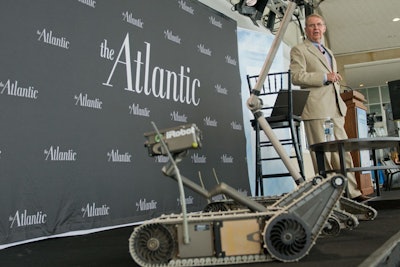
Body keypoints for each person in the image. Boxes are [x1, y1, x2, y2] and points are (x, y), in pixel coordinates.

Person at [289, 13, 369, 202]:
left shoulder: (328, 51)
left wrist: (333, 78)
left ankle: (352, 194)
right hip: (316, 110)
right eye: (311, 25)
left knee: (343, 154)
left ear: (324, 28)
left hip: (336, 109)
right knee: (324, 157)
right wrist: (325, 77)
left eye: (319, 25)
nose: (315, 28)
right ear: (306, 30)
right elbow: (296, 76)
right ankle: (330, 199)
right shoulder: (299, 50)